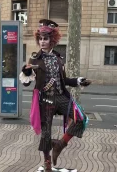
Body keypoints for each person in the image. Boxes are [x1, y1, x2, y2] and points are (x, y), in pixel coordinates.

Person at [19, 19, 91, 171]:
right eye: (41, 38)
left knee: (81, 118)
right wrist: (26, 71)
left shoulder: (59, 58)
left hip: (61, 97)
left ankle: (60, 145)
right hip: (45, 100)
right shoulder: (35, 59)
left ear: (52, 40)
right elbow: (26, 83)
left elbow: (63, 80)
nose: (43, 41)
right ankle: (47, 166)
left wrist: (78, 81)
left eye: (46, 38)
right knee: (46, 133)